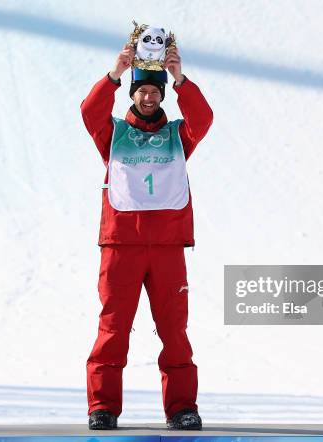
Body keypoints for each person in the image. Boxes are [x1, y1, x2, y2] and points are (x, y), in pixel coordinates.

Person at [81, 42, 213, 431]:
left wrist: (180, 78)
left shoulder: (178, 136)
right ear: (133, 93)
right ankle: (102, 407)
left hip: (168, 248)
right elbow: (90, 113)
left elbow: (203, 119)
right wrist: (115, 73)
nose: (150, 97)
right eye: (143, 91)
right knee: (113, 328)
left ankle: (181, 409)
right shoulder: (114, 135)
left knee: (174, 330)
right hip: (121, 246)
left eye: (156, 92)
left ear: (162, 95)